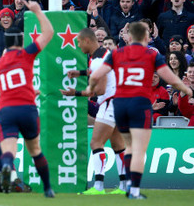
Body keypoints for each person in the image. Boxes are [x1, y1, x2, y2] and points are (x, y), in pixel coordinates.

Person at [88, 22, 193, 199]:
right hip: (140, 104)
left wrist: (91, 88)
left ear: (129, 37)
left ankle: (127, 184)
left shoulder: (116, 53)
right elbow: (170, 78)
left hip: (119, 104)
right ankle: (133, 190)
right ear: (146, 37)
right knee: (137, 149)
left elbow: (97, 75)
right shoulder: (151, 55)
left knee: (128, 145)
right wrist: (187, 89)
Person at [0, 0, 55, 197]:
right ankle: (48, 189)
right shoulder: (25, 54)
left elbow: (8, 86)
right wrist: (38, 12)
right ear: (21, 42)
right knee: (35, 150)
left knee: (8, 151)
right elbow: (48, 34)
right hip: (27, 108)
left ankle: (6, 167)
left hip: (6, 109)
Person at [61, 28, 127, 195]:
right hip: (120, 101)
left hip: (109, 103)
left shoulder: (97, 60)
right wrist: (81, 73)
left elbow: (100, 89)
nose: (78, 45)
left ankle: (98, 186)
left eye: (79, 42)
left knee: (96, 143)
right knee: (118, 146)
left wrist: (75, 93)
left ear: (87, 41)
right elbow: (101, 71)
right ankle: (125, 186)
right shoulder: (105, 53)